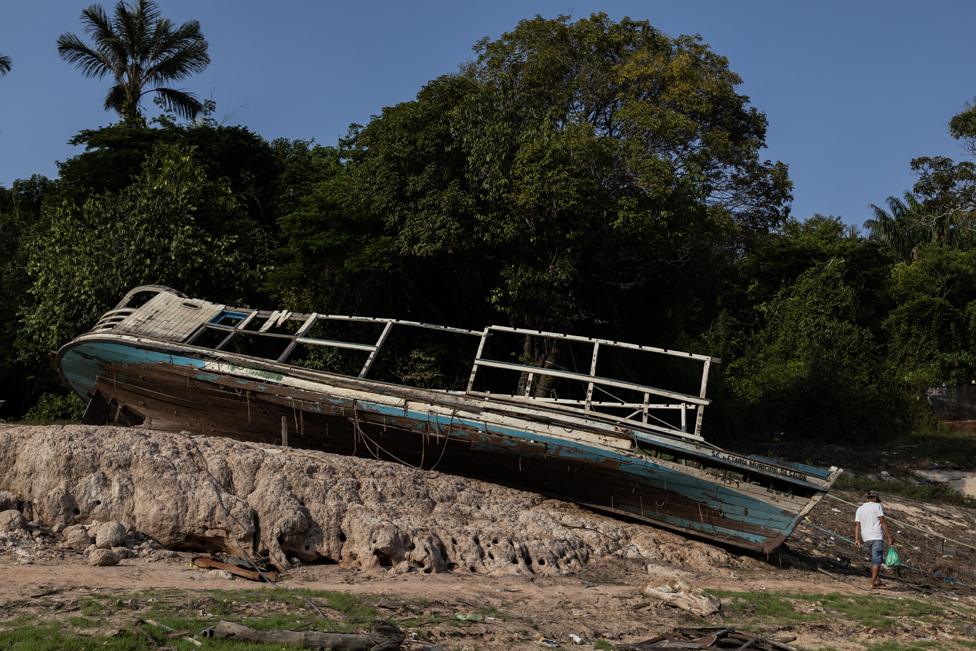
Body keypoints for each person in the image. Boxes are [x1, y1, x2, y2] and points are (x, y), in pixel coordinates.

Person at [853, 490, 893, 588]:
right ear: (875, 498)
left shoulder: (860, 509)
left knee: (874, 559)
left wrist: (857, 539)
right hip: (876, 537)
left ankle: (877, 579)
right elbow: (882, 521)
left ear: (867, 498)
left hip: (866, 537)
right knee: (877, 561)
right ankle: (873, 582)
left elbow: (857, 525)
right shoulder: (877, 506)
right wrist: (889, 537)